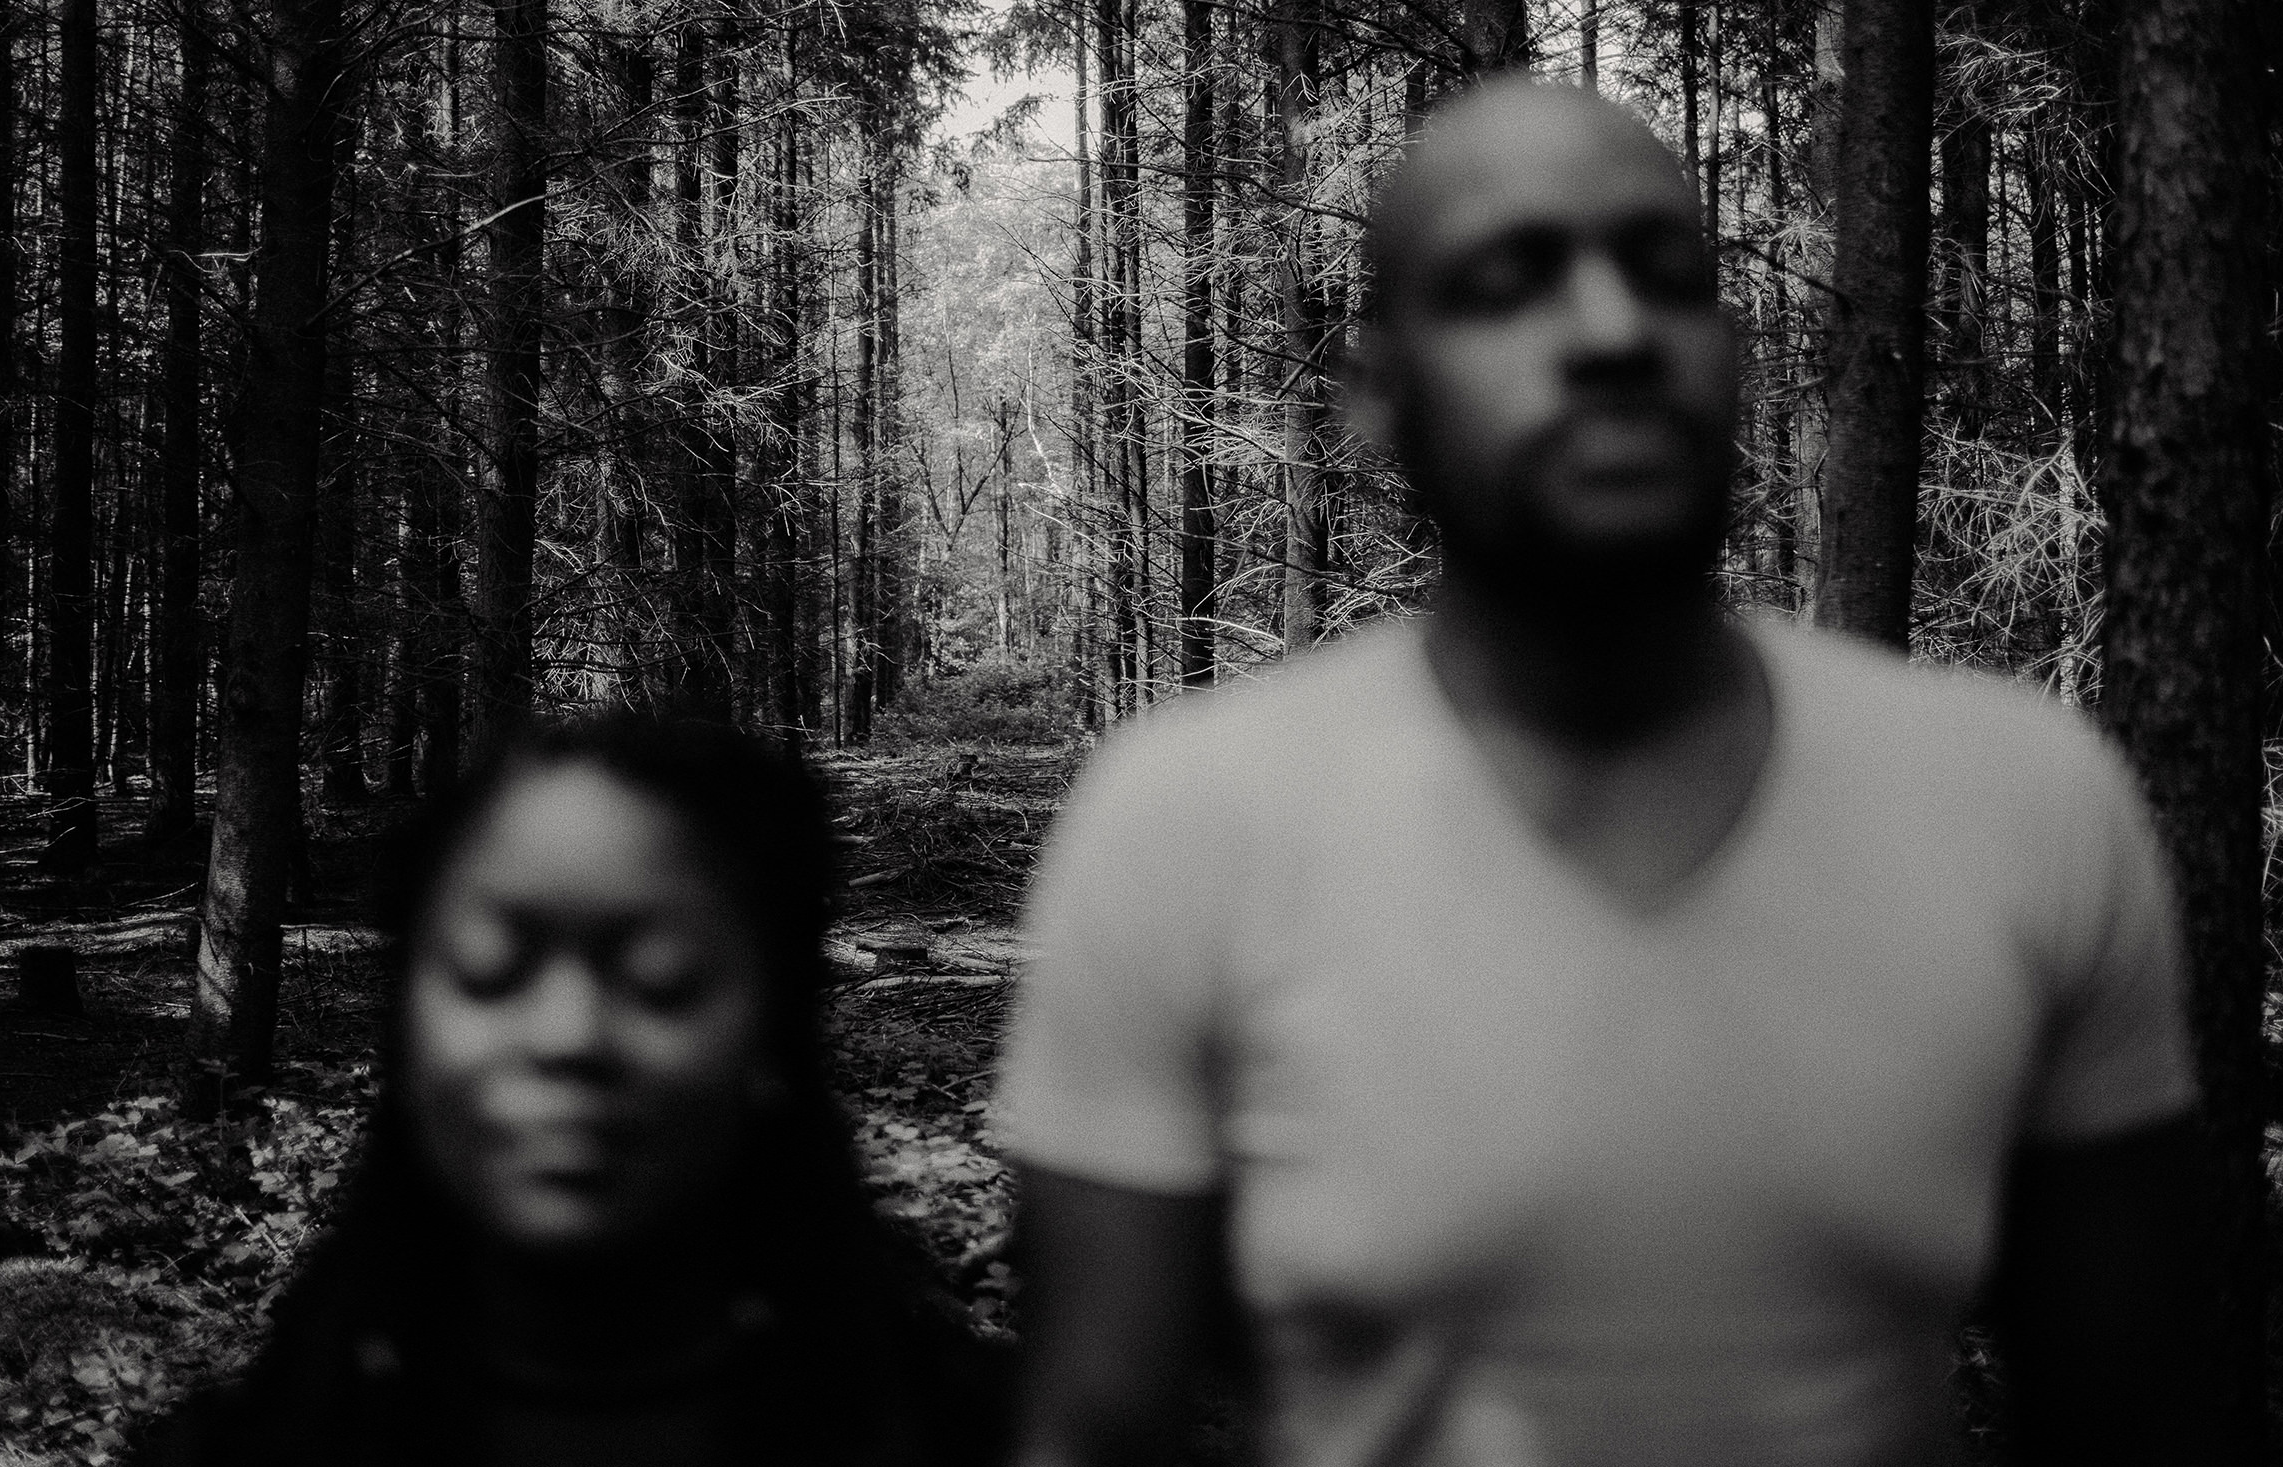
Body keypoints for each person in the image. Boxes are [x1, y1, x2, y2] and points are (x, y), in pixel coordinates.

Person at [997, 77, 2211, 1467]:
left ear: (1734, 348)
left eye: (1666, 271)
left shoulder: (2027, 803)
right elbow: (1092, 1428)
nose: (1613, 331)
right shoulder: (1181, 824)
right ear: (1377, 396)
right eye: (1508, 283)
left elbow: (2136, 1418)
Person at [138, 711, 1002, 1467]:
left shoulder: (974, 1436)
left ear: (773, 1030)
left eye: (662, 978)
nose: (569, 1036)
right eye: (490, 972)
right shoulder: (242, 1446)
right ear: (406, 1028)